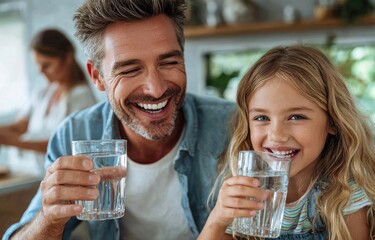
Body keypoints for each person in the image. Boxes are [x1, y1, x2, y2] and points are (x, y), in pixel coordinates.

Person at [3, 0, 235, 239]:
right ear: (98, 76)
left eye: (169, 62)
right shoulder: (76, 134)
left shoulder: (232, 125)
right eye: (129, 70)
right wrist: (49, 218)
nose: (155, 89)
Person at [199, 45, 375, 240]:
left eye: (296, 117)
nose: (277, 135)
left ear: (332, 121)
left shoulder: (344, 193)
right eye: (261, 118)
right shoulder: (246, 189)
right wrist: (217, 219)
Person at [0, 29, 97, 175]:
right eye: (38, 65)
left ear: (68, 58)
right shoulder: (43, 91)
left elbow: (64, 146)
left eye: (46, 65)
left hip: (60, 177)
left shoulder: (81, 97)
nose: (40, 71)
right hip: (31, 173)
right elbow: (20, 127)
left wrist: (13, 141)